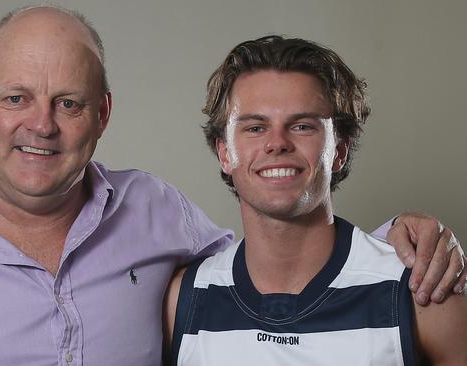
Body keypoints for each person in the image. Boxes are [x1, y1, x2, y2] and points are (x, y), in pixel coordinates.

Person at [0, 6, 462, 366]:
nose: (40, 126)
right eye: (16, 97)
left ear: (102, 116)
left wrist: (396, 247)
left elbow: (272, 263)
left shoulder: (155, 214)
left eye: (69, 103)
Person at [164, 35, 467, 365]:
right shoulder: (184, 299)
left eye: (303, 126)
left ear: (339, 150)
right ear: (224, 153)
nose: (277, 143)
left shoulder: (422, 291)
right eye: (254, 128)